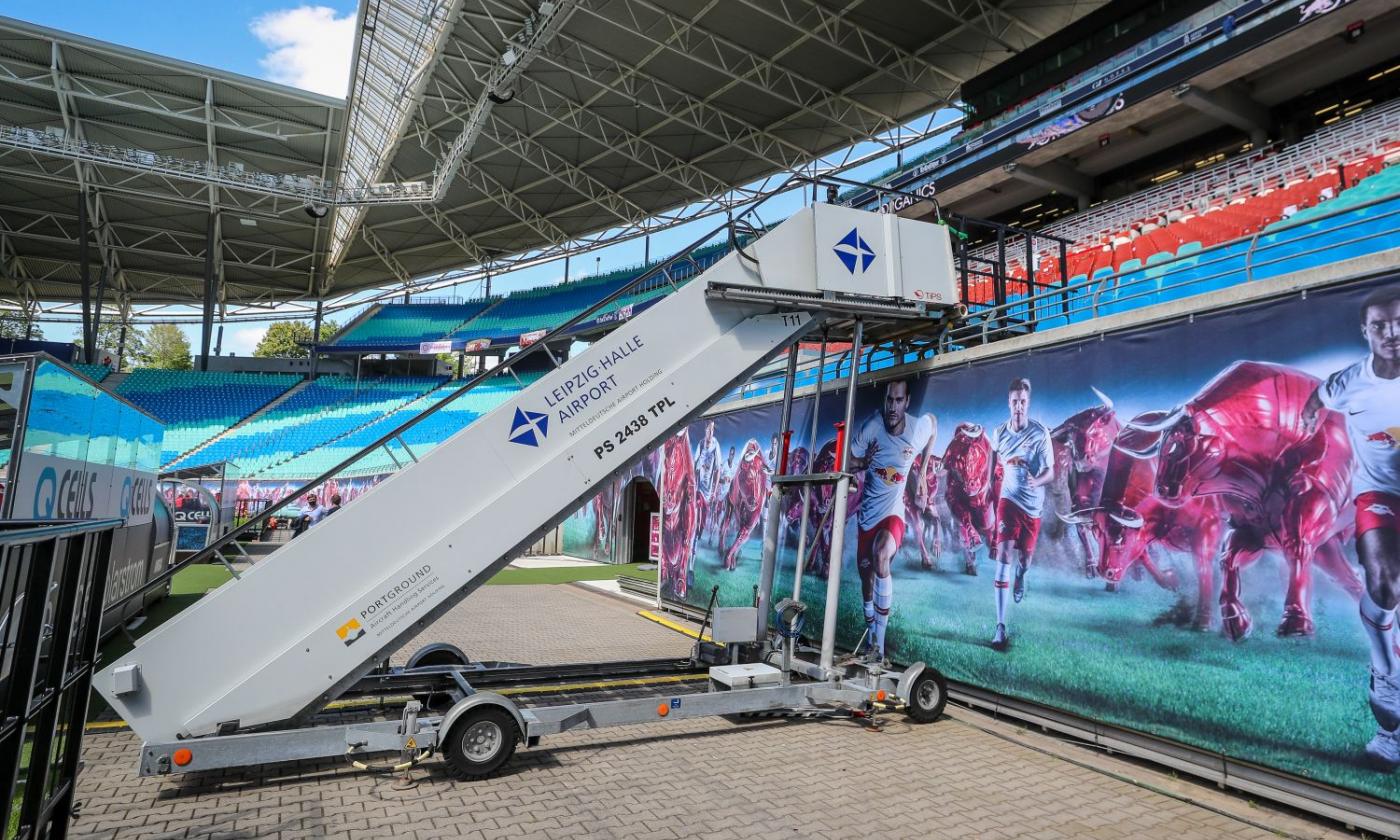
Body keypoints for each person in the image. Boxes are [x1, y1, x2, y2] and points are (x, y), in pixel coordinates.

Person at [1303, 285, 1400, 770]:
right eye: (1381, 325)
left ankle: (1390, 734)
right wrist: (1307, 427)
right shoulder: (1352, 381)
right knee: (1384, 581)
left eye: (1399, 322)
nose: (1392, 332)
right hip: (1378, 494)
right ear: (1365, 332)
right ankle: (1385, 673)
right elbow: (1316, 399)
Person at [846, 378, 938, 662]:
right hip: (868, 517)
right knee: (867, 580)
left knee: (881, 555)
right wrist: (862, 463)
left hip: (893, 514)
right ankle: (871, 635)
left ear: (907, 402)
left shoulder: (915, 429)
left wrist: (921, 472)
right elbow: (847, 460)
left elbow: (933, 422)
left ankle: (879, 649)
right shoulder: (872, 427)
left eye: (899, 401)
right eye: (889, 400)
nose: (893, 407)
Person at [990, 378, 1054, 651]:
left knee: (1024, 559)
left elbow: (1051, 472)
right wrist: (987, 486)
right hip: (1009, 500)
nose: (1018, 406)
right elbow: (993, 464)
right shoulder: (999, 433)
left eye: (1023, 402)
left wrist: (1035, 482)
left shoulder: (1040, 434)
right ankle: (1000, 626)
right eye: (1014, 401)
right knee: (1003, 554)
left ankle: (1021, 574)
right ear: (1009, 402)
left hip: (1032, 506)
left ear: (1028, 404)